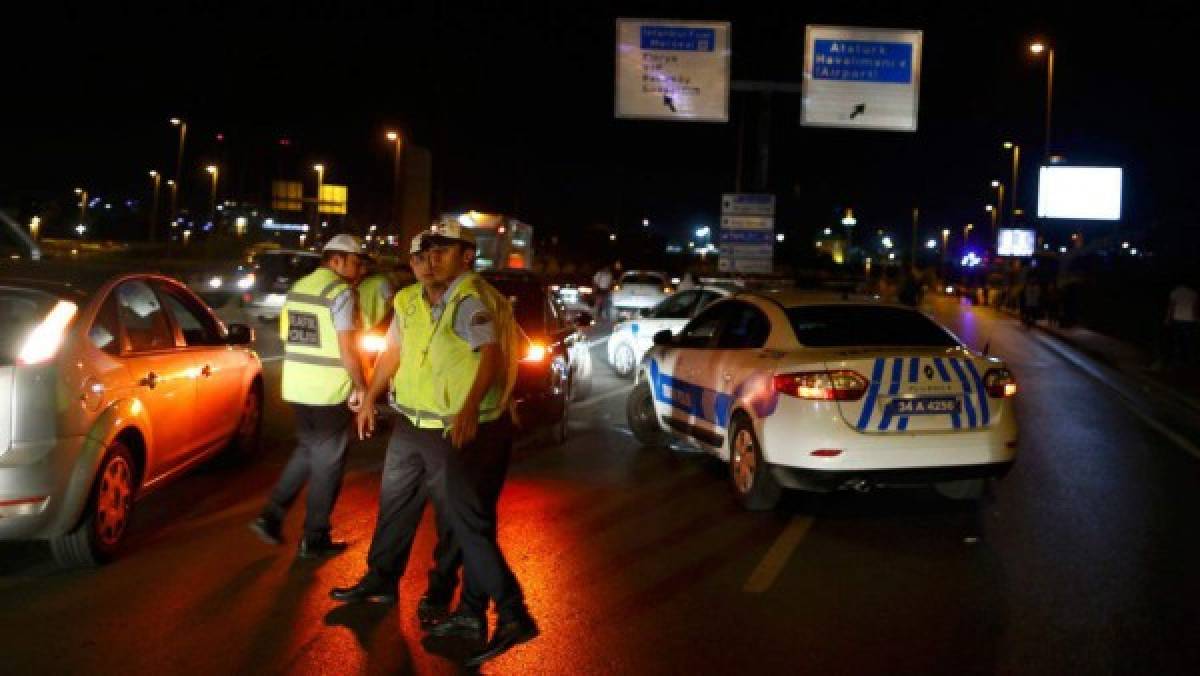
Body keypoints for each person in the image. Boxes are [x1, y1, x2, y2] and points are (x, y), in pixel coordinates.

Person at [333, 221, 537, 666]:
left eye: (442, 252)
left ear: (466, 256)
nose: (430, 261)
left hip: (456, 427)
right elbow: (392, 353)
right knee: (398, 504)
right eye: (424, 255)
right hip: (412, 420)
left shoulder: (471, 299)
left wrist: (469, 408)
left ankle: (475, 608)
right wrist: (370, 396)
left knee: (461, 522)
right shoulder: (409, 300)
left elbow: (495, 354)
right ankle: (384, 579)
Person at [250, 234, 369, 559]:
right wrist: (362, 386)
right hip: (328, 390)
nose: (359, 269)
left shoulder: (299, 289)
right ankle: (315, 537)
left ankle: (270, 516)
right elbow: (347, 348)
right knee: (328, 465)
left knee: (307, 451)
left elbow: (290, 335)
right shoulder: (340, 292)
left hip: (298, 386)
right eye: (356, 262)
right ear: (337, 260)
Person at [357, 258, 396, 334]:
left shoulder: (381, 281)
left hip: (378, 328)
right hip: (368, 329)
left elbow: (393, 303)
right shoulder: (357, 284)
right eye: (361, 266)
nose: (363, 269)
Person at [1166, 281, 1199, 366]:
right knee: (1189, 341)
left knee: (1177, 341)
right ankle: (1190, 360)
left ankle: (1177, 360)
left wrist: (1167, 319)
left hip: (1177, 319)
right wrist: (1196, 319)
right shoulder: (1193, 293)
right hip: (1189, 320)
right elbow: (1195, 308)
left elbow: (1171, 307)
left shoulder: (1175, 292)